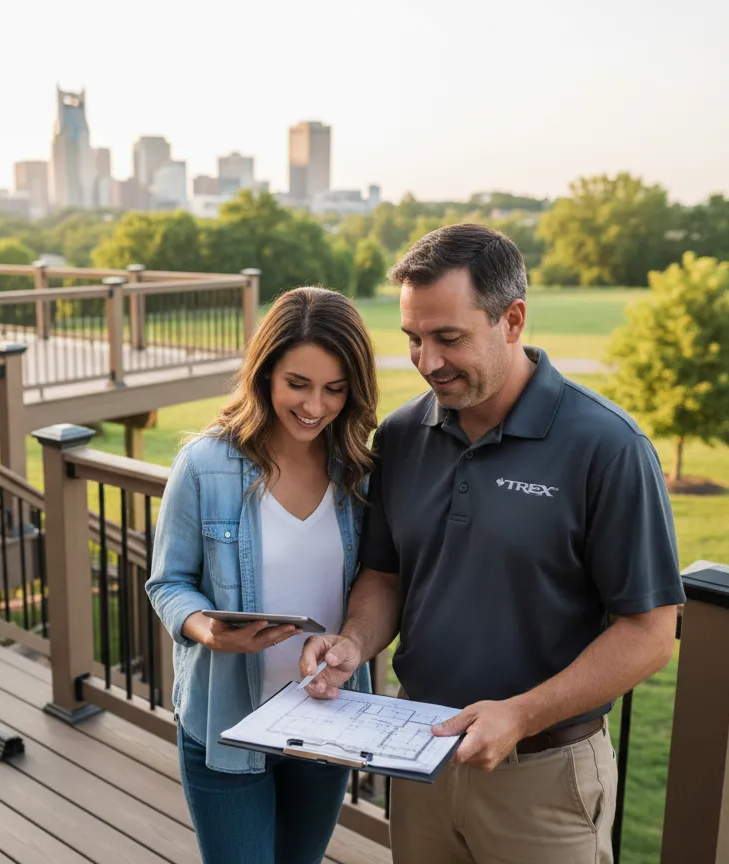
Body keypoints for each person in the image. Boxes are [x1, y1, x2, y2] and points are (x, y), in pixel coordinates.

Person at [299, 224, 685, 864]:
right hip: (417, 755)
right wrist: (353, 643)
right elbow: (386, 577)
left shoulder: (609, 448)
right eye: (413, 340)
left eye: (448, 338)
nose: (427, 362)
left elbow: (649, 631)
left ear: (513, 319)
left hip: (543, 777)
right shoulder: (400, 437)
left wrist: (522, 715)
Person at [145, 285, 380, 864]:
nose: (314, 406)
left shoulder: (361, 471)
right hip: (228, 725)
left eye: (334, 389)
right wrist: (207, 630)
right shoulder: (204, 464)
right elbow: (168, 582)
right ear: (265, 373)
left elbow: (379, 583)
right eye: (298, 384)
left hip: (327, 717)